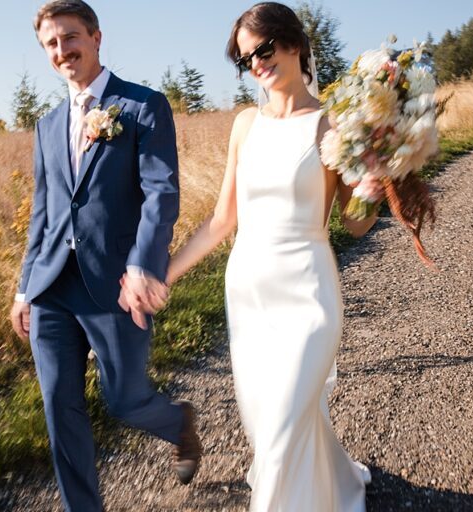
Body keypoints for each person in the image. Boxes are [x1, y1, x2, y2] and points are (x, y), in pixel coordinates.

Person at [164, 3, 376, 510]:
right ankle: (333, 483)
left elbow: (355, 223)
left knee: (283, 426)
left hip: (308, 293)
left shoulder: (333, 126)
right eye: (245, 58)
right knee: (271, 426)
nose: (256, 63)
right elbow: (221, 221)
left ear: (294, 44)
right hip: (248, 292)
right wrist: (164, 272)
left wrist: (370, 184)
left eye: (263, 49)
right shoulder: (244, 124)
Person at [9, 2, 201, 510]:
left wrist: (143, 265)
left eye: (69, 37)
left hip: (114, 282)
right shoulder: (47, 125)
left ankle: (180, 423)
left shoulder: (142, 105)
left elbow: (161, 194)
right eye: (50, 44)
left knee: (125, 402)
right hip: (52, 286)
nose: (61, 50)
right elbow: (42, 212)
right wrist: (25, 287)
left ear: (96, 37)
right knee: (59, 409)